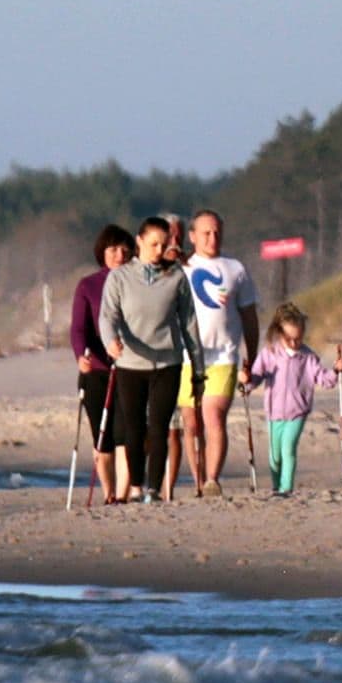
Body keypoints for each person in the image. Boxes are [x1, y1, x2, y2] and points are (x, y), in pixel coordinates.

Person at [100, 217, 205, 503]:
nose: (160, 250)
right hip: (131, 364)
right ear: (139, 242)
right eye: (153, 244)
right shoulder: (119, 277)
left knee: (160, 427)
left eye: (164, 243)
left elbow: (190, 325)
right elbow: (108, 316)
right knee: (134, 428)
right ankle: (135, 486)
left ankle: (153, 489)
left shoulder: (176, 278)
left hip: (167, 364)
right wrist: (111, 341)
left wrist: (198, 372)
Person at [178, 209, 260, 497]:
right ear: (193, 236)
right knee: (191, 423)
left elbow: (249, 316)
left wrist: (252, 355)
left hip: (224, 356)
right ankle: (197, 478)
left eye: (217, 232)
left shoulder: (235, 268)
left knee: (214, 417)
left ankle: (212, 479)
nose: (213, 238)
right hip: (188, 357)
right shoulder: (181, 268)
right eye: (206, 233)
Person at [247, 302, 342, 496]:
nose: (294, 343)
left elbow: (324, 379)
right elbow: (255, 377)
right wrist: (246, 382)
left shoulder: (308, 357)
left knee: (288, 449)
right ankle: (276, 488)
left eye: (298, 339)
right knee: (274, 456)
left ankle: (286, 489)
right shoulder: (269, 353)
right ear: (279, 333)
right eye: (289, 338)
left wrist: (336, 370)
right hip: (274, 412)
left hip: (297, 412)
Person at [70, 224, 133, 503]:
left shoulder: (138, 281)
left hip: (131, 369)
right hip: (96, 371)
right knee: (103, 437)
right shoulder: (88, 285)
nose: (119, 254)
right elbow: (78, 330)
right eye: (112, 249)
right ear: (102, 252)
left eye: (124, 248)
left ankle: (122, 494)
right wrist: (81, 357)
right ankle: (109, 492)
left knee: (126, 433)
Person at [159, 212, 187, 497]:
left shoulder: (190, 267)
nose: (174, 240)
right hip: (152, 360)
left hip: (184, 360)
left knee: (174, 430)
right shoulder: (149, 268)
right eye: (170, 234)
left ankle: (169, 489)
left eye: (179, 234)